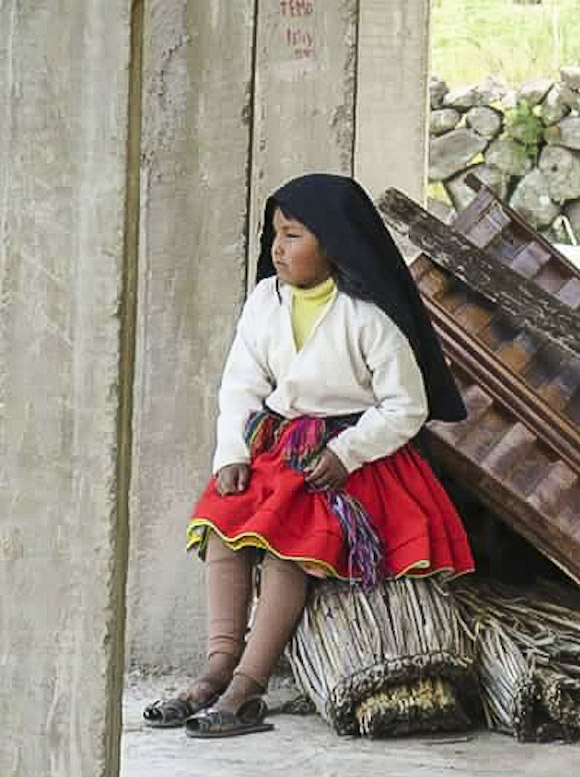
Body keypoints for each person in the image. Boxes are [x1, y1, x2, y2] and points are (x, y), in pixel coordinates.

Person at [143, 173, 474, 737]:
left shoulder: (368, 317)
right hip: (278, 447)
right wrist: (231, 451)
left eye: (293, 235)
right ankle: (217, 668)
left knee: (286, 547)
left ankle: (248, 687)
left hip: (353, 460)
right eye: (274, 233)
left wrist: (346, 453)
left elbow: (406, 407)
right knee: (223, 529)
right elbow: (240, 383)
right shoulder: (265, 301)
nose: (277, 248)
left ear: (334, 244)